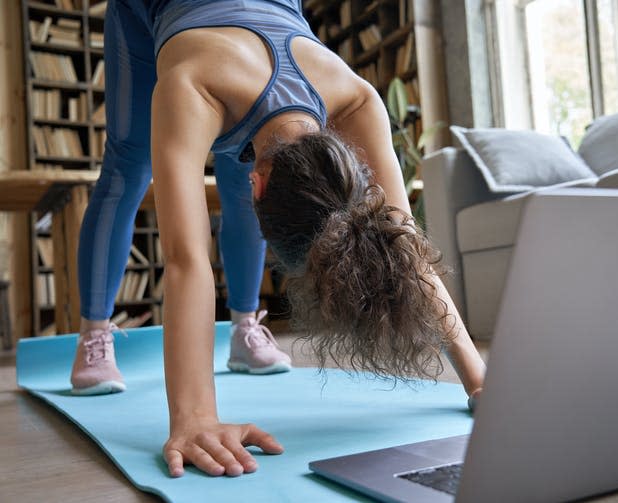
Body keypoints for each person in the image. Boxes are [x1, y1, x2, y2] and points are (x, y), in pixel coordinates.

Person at [70, 0, 486, 478]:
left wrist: (478, 380)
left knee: (241, 145)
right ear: (259, 187)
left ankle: (244, 330)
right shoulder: (191, 84)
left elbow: (403, 245)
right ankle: (95, 331)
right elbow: (187, 261)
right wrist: (194, 419)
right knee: (129, 163)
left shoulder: (357, 97)